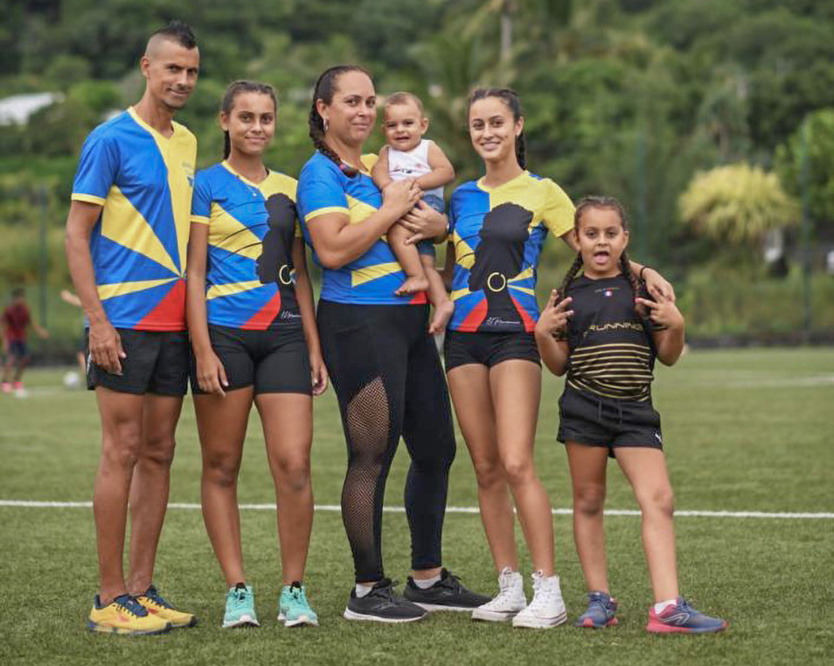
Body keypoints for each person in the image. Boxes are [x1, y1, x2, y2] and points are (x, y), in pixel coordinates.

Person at [443, 88, 675, 629]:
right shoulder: (460, 198)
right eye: (478, 125)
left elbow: (597, 246)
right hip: (461, 339)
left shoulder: (543, 192)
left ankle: (548, 589)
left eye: (497, 122)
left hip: (515, 336)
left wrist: (643, 271)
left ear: (518, 126)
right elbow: (452, 268)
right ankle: (509, 586)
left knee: (516, 461)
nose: (487, 133)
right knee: (484, 467)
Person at [296, 65, 490, 623]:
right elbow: (332, 251)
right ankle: (367, 590)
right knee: (371, 455)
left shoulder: (381, 167)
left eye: (369, 102)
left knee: (435, 449)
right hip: (358, 324)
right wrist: (390, 211)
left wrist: (436, 228)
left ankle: (427, 578)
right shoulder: (320, 174)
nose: (363, 111)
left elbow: (431, 226)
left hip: (410, 320)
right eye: (351, 102)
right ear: (323, 110)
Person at [535, 196, 727, 634]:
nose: (601, 242)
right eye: (591, 234)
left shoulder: (644, 290)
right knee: (588, 501)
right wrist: (543, 334)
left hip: (636, 412)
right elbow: (558, 365)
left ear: (625, 238)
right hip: (584, 410)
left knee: (659, 498)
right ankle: (599, 599)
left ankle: (668, 608)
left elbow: (669, 356)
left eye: (610, 233)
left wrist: (676, 324)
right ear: (577, 240)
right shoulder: (567, 296)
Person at [65, 21, 200, 635]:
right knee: (121, 450)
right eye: (173, 68)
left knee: (160, 451)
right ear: (147, 67)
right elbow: (76, 234)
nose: (182, 80)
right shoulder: (110, 138)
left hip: (174, 321)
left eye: (191, 71)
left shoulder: (188, 141)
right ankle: (109, 596)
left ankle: (141, 590)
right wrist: (97, 321)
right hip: (123, 319)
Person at [187, 80, 327, 629]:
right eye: (245, 117)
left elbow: (301, 276)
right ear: (225, 121)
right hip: (223, 338)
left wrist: (313, 345)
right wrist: (201, 348)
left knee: (293, 463)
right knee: (221, 465)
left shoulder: (291, 189)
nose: (256, 127)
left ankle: (294, 589)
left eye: (265, 118)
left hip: (285, 336)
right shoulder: (205, 184)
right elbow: (195, 273)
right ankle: (237, 590)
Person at [371, 91, 455, 333]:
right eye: (392, 125)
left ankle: (415, 276)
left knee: (396, 233)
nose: (400, 130)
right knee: (426, 261)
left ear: (423, 125)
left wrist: (414, 184)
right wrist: (387, 186)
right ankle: (442, 303)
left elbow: (446, 172)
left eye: (408, 123)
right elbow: (378, 171)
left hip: (424, 202)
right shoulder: (386, 152)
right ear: (384, 130)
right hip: (401, 201)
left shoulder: (428, 148)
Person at [1, 287, 49, 394]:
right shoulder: (9, 310)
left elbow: (31, 322)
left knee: (25, 359)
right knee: (11, 359)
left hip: (21, 338)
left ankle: (16, 380)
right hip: (11, 338)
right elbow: (3, 325)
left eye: (22, 298)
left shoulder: (25, 309)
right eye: (19, 298)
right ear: (14, 299)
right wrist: (4, 341)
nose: (21, 300)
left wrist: (40, 332)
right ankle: (5, 382)